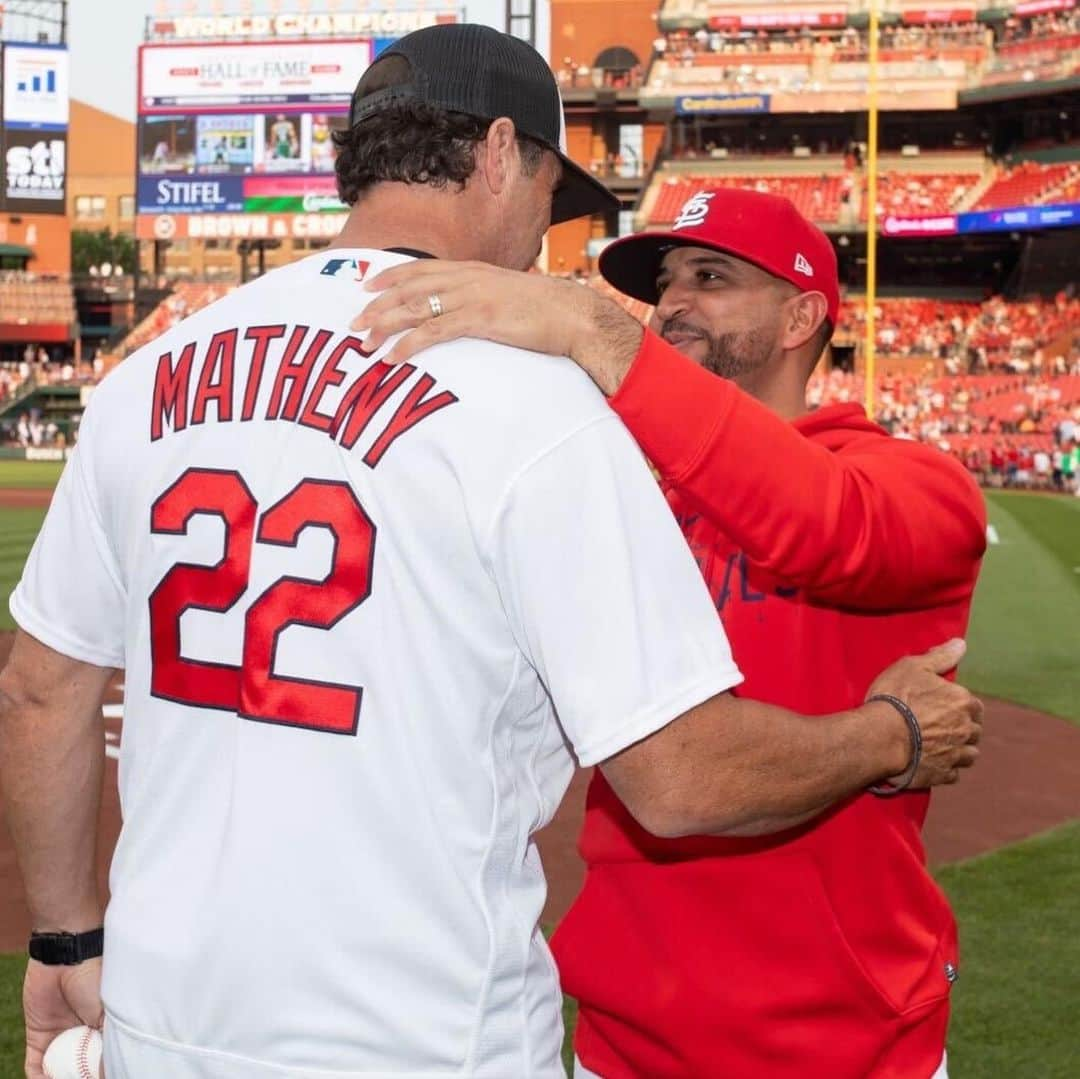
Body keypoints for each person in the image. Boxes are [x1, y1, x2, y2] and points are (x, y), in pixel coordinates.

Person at [0, 31, 980, 1079]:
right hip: (429, 1030)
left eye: (712, 277)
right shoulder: (537, 406)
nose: (542, 240)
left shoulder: (156, 372)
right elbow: (682, 777)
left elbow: (43, 690)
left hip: (166, 1018)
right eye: (553, 195)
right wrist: (891, 735)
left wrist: (65, 938)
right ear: (504, 154)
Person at [350, 187, 988, 1078]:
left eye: (712, 277)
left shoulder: (917, 484)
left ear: (804, 314)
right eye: (666, 284)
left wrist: (599, 335)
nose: (674, 302)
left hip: (847, 1042)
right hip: (627, 1043)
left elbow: (824, 523)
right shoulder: (630, 489)